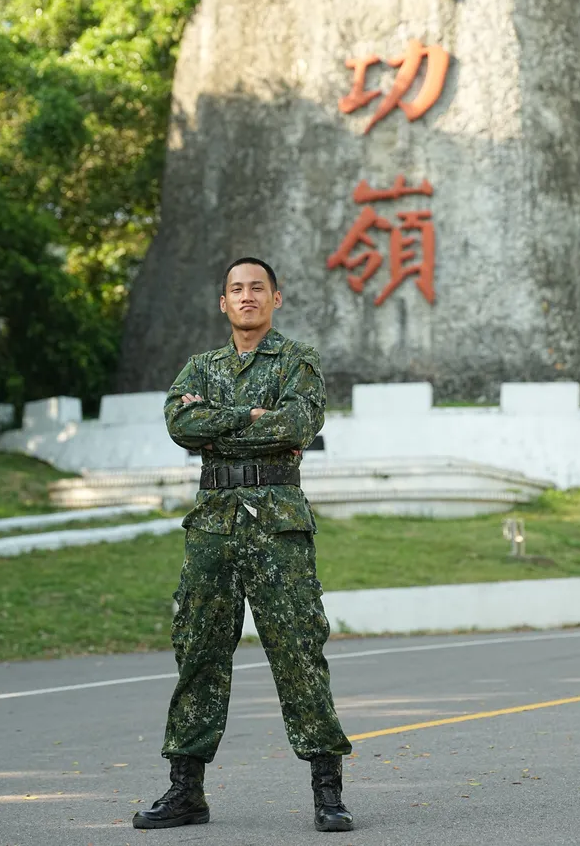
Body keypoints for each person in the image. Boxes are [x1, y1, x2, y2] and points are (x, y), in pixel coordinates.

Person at [132, 257, 353, 833]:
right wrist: (247, 415)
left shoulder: (299, 361)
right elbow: (181, 427)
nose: (247, 296)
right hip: (212, 528)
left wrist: (219, 423)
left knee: (299, 652)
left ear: (276, 298)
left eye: (258, 287)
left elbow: (298, 426)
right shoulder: (199, 367)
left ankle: (327, 790)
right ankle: (186, 791)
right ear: (222, 303)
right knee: (199, 653)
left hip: (277, 524)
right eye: (236, 289)